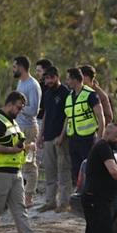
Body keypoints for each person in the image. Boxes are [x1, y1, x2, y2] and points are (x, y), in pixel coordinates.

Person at [0, 91, 52, 233]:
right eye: (18, 107)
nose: (20, 111)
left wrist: (25, 148)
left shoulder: (11, 121)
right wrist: (11, 150)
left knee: (19, 207)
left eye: (21, 108)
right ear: (10, 104)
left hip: (14, 171)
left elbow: (13, 144)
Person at [60, 66, 105, 188]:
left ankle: (91, 193)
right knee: (76, 171)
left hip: (88, 139)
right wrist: (62, 136)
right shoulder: (69, 97)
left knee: (89, 169)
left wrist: (99, 138)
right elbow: (68, 117)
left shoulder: (90, 95)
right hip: (73, 139)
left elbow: (101, 117)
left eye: (68, 79)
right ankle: (78, 193)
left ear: (75, 79)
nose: (67, 82)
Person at [37, 65, 72, 212]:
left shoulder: (66, 93)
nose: (48, 81)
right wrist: (40, 135)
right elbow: (45, 114)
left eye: (51, 78)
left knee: (63, 171)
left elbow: (68, 116)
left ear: (57, 77)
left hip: (61, 138)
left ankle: (64, 203)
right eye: (46, 78)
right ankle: (50, 201)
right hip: (48, 137)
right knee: (49, 171)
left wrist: (62, 135)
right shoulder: (46, 93)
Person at [13, 55, 41, 204]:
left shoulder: (32, 85)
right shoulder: (20, 82)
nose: (13, 69)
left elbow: (34, 110)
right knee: (18, 163)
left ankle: (29, 197)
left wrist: (18, 107)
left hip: (29, 130)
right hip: (18, 128)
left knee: (29, 162)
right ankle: (21, 195)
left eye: (14, 66)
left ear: (21, 67)